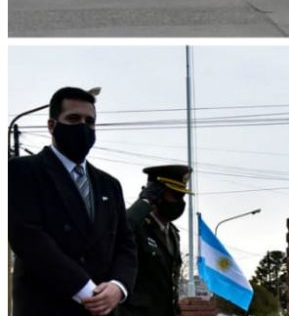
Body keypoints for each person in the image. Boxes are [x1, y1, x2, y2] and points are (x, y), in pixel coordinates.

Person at [9, 87, 137, 316]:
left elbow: (125, 245)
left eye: (90, 121)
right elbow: (27, 237)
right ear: (52, 125)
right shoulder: (21, 171)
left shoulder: (109, 184)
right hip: (48, 307)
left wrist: (119, 286)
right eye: (73, 118)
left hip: (104, 310)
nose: (82, 127)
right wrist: (86, 290)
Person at [115, 166, 192, 316]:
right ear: (157, 195)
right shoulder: (138, 224)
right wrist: (144, 201)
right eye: (175, 195)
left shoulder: (173, 234)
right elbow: (121, 231)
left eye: (183, 196)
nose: (180, 202)